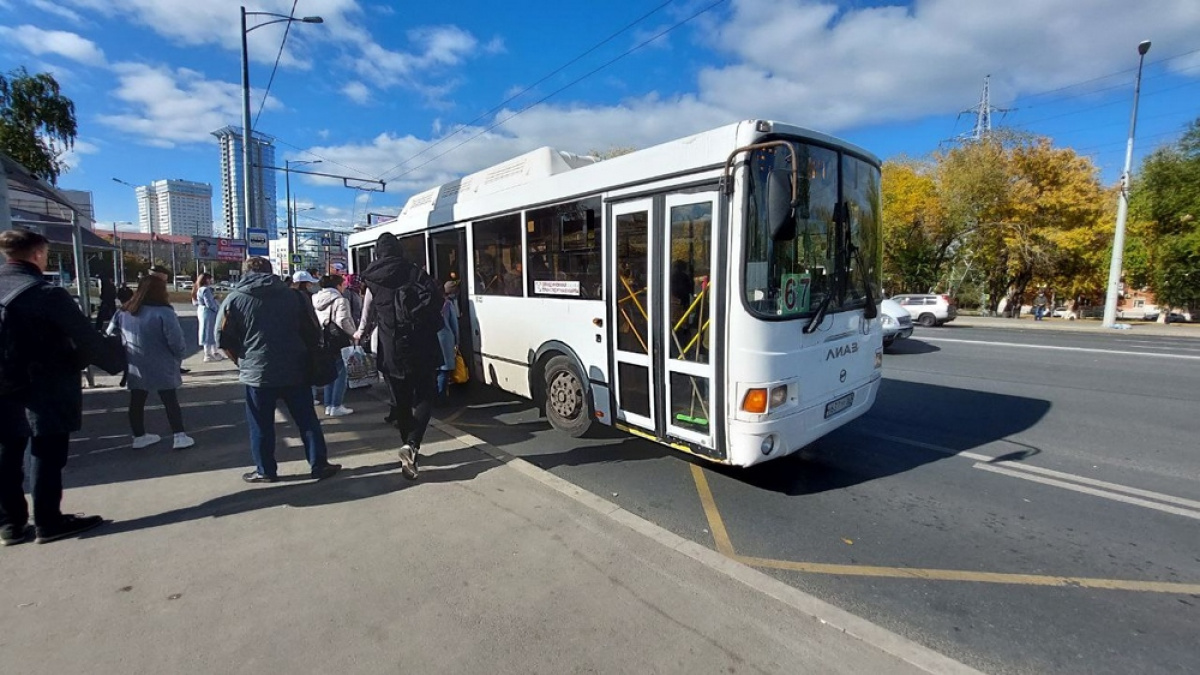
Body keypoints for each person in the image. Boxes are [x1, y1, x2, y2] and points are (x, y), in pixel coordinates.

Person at [0, 229, 122, 545]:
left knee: (5, 452)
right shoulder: (45, 294)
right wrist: (116, 362)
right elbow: (87, 339)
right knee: (45, 452)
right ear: (38, 254)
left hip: (3, 386)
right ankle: (48, 522)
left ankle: (11, 525)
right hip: (44, 385)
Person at [217, 256, 340, 483]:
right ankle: (319, 464)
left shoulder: (234, 299)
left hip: (257, 374)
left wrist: (242, 362)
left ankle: (265, 470)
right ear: (271, 271)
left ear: (245, 273)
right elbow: (313, 331)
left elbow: (224, 339)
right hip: (296, 369)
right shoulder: (294, 296)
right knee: (307, 421)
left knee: (261, 425)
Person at [355, 232, 442, 480]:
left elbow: (367, 316)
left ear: (378, 252)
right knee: (426, 395)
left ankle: (409, 445)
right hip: (422, 345)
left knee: (401, 402)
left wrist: (359, 335)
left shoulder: (372, 280)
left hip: (391, 349)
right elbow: (436, 303)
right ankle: (412, 445)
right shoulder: (415, 272)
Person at [108, 276, 194, 450]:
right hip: (162, 362)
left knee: (137, 399)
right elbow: (176, 342)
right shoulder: (164, 312)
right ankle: (179, 436)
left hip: (135, 364)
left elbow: (110, 332)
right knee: (170, 399)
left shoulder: (124, 311)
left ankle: (139, 436)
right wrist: (179, 357)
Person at [313, 274, 355, 417]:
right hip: (338, 340)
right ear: (337, 286)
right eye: (343, 285)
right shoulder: (340, 300)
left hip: (324, 340)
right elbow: (342, 320)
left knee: (329, 373)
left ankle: (328, 405)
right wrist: (354, 334)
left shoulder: (315, 299)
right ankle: (336, 405)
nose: (344, 287)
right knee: (341, 373)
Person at [436, 280, 461, 400]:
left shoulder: (427, 303)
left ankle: (434, 396)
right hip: (446, 339)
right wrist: (457, 341)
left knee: (435, 369)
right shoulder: (448, 304)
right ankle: (441, 397)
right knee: (444, 371)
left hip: (432, 338)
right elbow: (454, 324)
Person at [192, 273, 224, 362]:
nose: (212, 281)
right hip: (209, 313)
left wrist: (214, 298)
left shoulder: (198, 289)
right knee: (209, 332)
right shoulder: (205, 289)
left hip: (203, 312)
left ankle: (213, 352)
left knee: (207, 331)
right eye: (210, 279)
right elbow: (209, 303)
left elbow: (196, 302)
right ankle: (208, 354)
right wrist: (218, 309)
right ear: (206, 279)